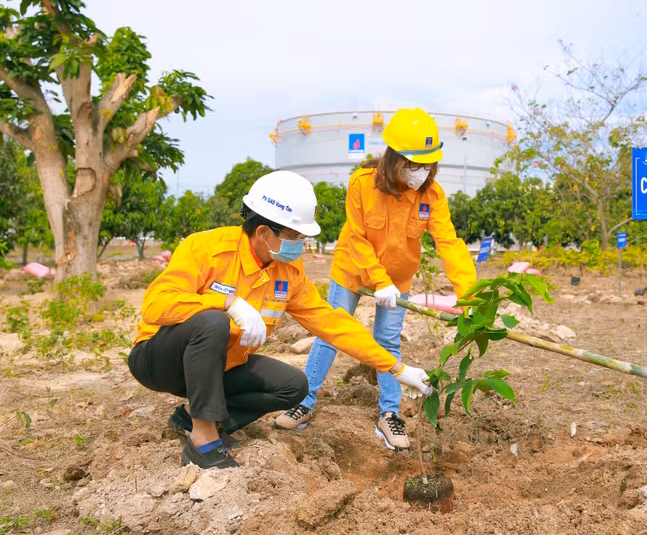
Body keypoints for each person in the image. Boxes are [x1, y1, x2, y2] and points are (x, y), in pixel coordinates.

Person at [128, 171, 433, 469]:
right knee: (213, 321)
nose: (300, 243)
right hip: (160, 361)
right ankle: (202, 440)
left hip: (218, 369)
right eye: (294, 235)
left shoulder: (287, 273)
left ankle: (197, 419)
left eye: (302, 236)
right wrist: (226, 303)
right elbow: (155, 306)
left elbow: (332, 323)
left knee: (293, 386)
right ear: (263, 232)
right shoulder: (207, 249)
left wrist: (395, 367)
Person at [275, 108, 476, 451]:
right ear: (394, 158)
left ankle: (389, 415)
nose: (421, 172)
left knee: (388, 342)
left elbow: (450, 244)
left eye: (428, 164)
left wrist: (470, 296)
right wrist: (377, 279)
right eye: (414, 164)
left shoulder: (432, 196)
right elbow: (355, 238)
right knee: (331, 334)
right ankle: (304, 402)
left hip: (398, 280)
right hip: (353, 270)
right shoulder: (362, 184)